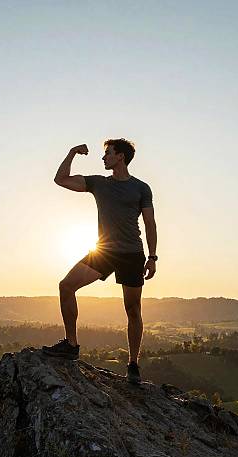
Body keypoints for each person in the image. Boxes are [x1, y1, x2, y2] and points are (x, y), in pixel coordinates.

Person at [42, 138, 158, 385]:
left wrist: (152, 257)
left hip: (132, 254)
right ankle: (71, 345)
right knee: (66, 286)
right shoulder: (99, 183)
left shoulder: (141, 188)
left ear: (121, 157)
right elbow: (60, 179)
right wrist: (72, 152)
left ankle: (133, 364)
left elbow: (150, 224)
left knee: (132, 309)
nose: (103, 157)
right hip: (104, 251)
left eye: (108, 153)